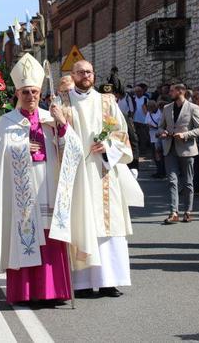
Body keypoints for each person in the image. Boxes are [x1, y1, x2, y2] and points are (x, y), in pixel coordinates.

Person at [0, 54, 89, 306]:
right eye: (26, 91)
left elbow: (73, 150)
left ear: (40, 92)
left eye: (35, 91)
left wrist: (62, 127)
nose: (31, 96)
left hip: (49, 184)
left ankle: (53, 291)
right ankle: (27, 292)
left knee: (51, 235)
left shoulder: (50, 117)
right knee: (25, 236)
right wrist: (17, 148)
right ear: (17, 93)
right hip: (21, 191)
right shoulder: (6, 122)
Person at [58, 60, 142, 299]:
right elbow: (54, 135)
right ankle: (82, 282)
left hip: (103, 170)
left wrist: (106, 146)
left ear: (94, 75)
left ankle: (109, 280)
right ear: (72, 75)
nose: (85, 75)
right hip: (76, 173)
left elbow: (122, 133)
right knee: (81, 223)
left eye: (89, 71)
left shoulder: (107, 102)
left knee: (109, 225)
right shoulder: (62, 103)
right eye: (80, 72)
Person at [158, 84, 199, 223]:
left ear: (181, 91)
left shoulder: (193, 108)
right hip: (169, 148)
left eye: (172, 90)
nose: (170, 92)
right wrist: (163, 132)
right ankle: (174, 212)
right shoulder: (167, 108)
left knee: (188, 182)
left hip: (187, 149)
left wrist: (185, 135)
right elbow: (161, 126)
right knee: (172, 181)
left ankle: (188, 211)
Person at [145, 100, 165, 178]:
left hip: (159, 137)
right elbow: (146, 122)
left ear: (154, 106)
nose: (149, 110)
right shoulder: (149, 113)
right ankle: (158, 171)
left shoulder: (161, 113)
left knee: (160, 155)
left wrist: (153, 126)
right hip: (152, 137)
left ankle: (162, 172)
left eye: (150, 108)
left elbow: (161, 126)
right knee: (155, 155)